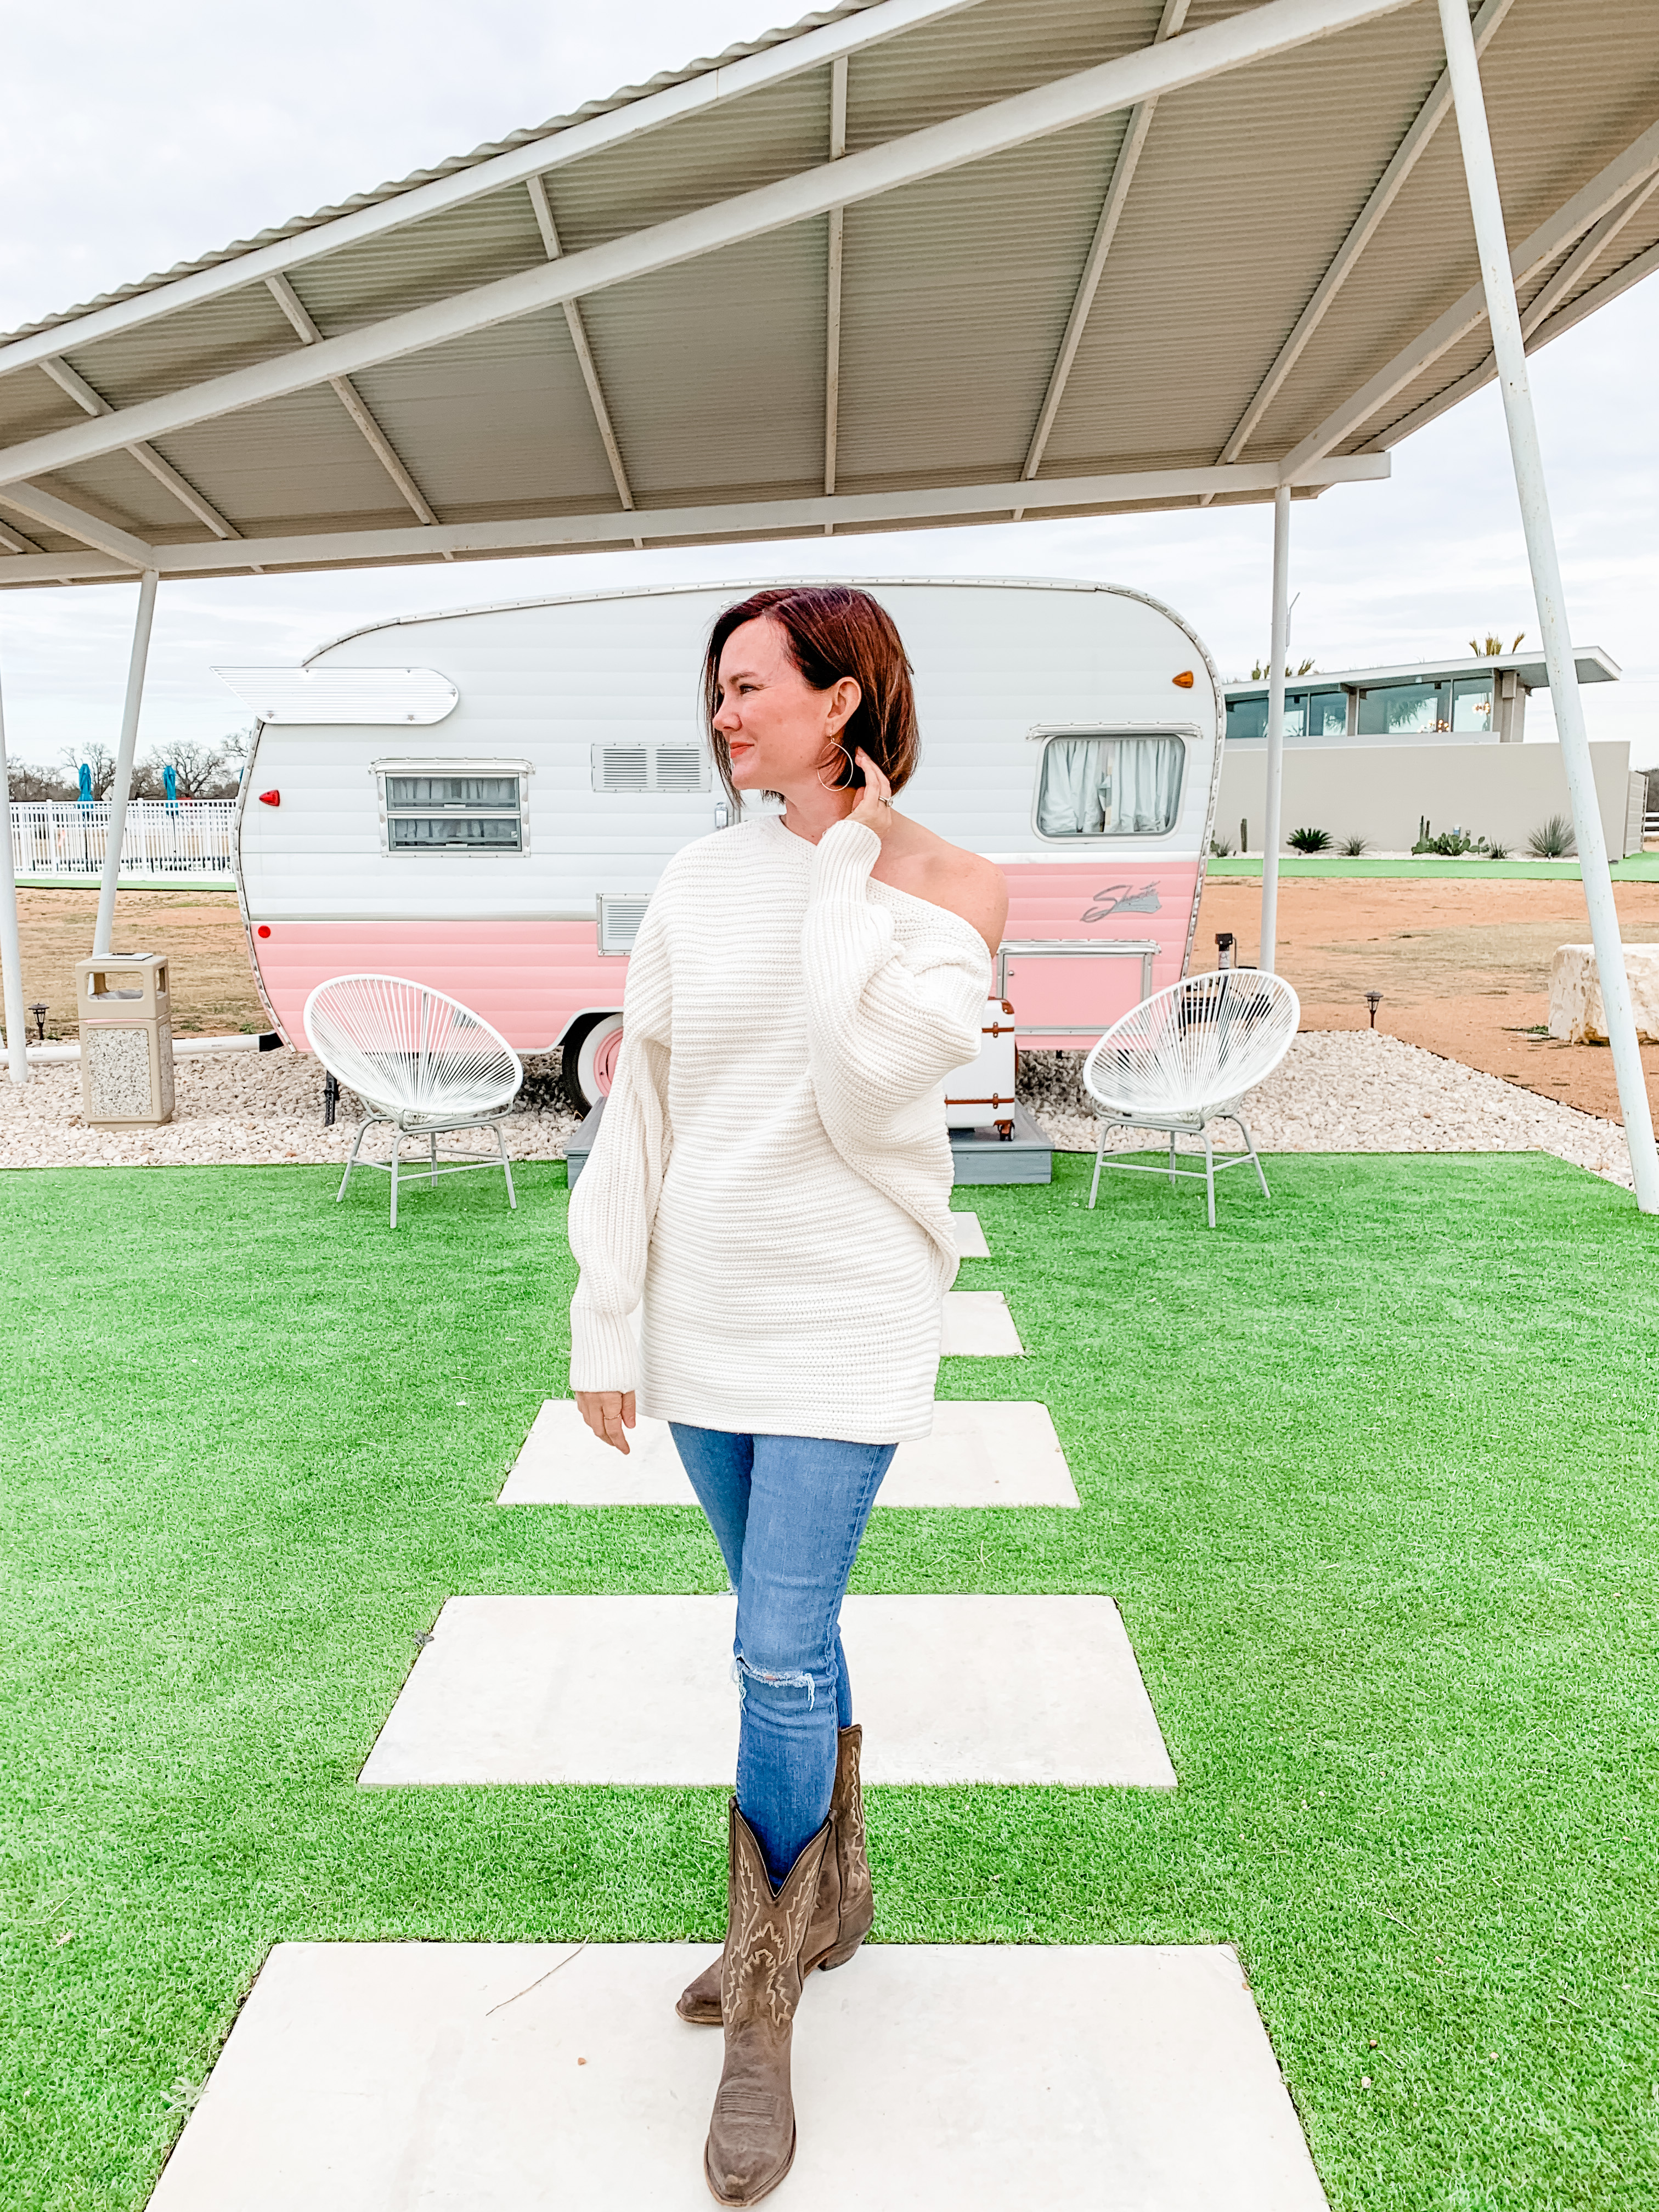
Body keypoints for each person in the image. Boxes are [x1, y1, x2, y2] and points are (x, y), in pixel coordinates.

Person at [568, 584, 1007, 2207]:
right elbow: (644, 1103)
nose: (724, 715)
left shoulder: (952, 886)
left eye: (752, 686)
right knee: (791, 1632)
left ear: (844, 699)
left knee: (770, 1642)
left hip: (849, 1306)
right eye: (719, 690)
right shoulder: (696, 879)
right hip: (708, 1304)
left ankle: (761, 1998)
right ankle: (831, 1896)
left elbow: (868, 1072)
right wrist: (608, 1315)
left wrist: (843, 868)